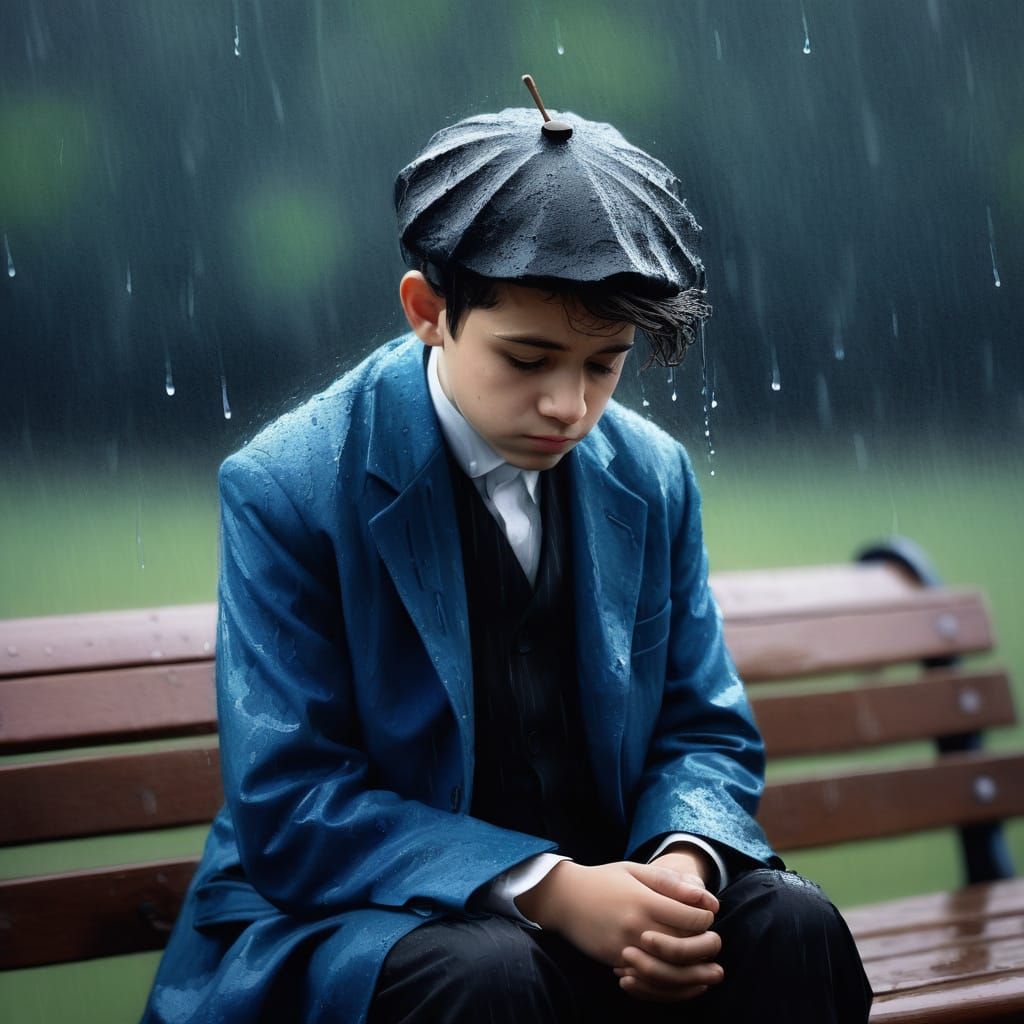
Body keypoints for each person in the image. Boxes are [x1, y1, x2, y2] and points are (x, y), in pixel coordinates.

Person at [140, 101, 872, 1024]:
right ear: (428, 312)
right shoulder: (288, 487)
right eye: (528, 359)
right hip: (368, 926)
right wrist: (550, 890)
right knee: (486, 978)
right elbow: (293, 805)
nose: (567, 405)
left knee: (792, 928)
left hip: (614, 898)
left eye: (604, 365)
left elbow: (703, 729)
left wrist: (679, 874)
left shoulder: (653, 475)